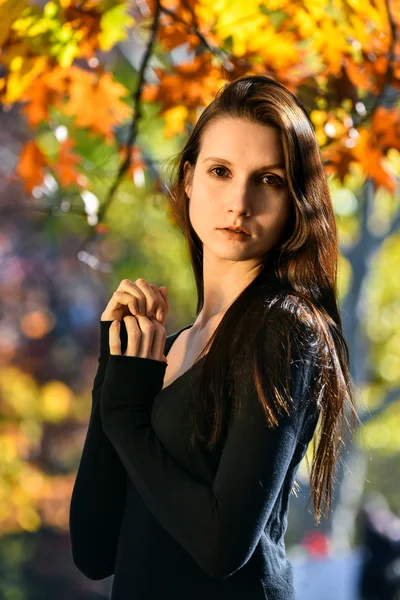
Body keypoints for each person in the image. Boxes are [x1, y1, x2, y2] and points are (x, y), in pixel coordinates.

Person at [69, 74, 359, 599]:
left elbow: (224, 546)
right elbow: (93, 551)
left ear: (296, 200)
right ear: (187, 178)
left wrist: (127, 418)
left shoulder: (285, 329)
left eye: (268, 179)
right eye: (220, 171)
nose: (239, 202)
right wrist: (118, 371)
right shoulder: (173, 344)